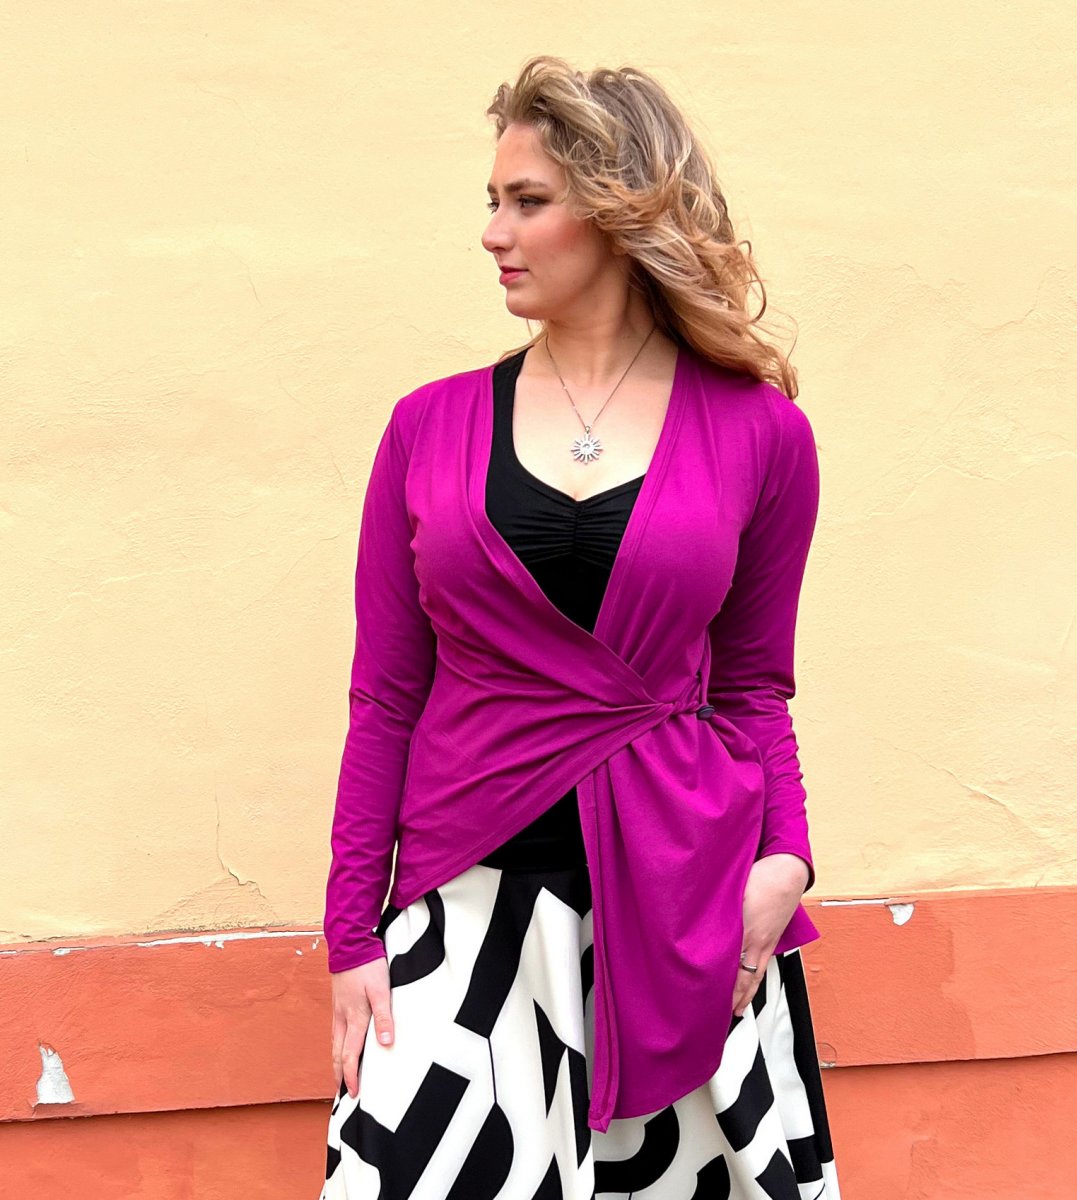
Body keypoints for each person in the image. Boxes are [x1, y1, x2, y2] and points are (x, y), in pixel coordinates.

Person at [317, 55, 841, 1199]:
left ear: (615, 210)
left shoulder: (762, 436)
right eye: (492, 201)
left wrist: (788, 859)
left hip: (683, 903)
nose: (494, 233)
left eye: (528, 201)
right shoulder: (425, 428)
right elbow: (386, 695)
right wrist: (352, 932)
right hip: (465, 900)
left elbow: (753, 686)